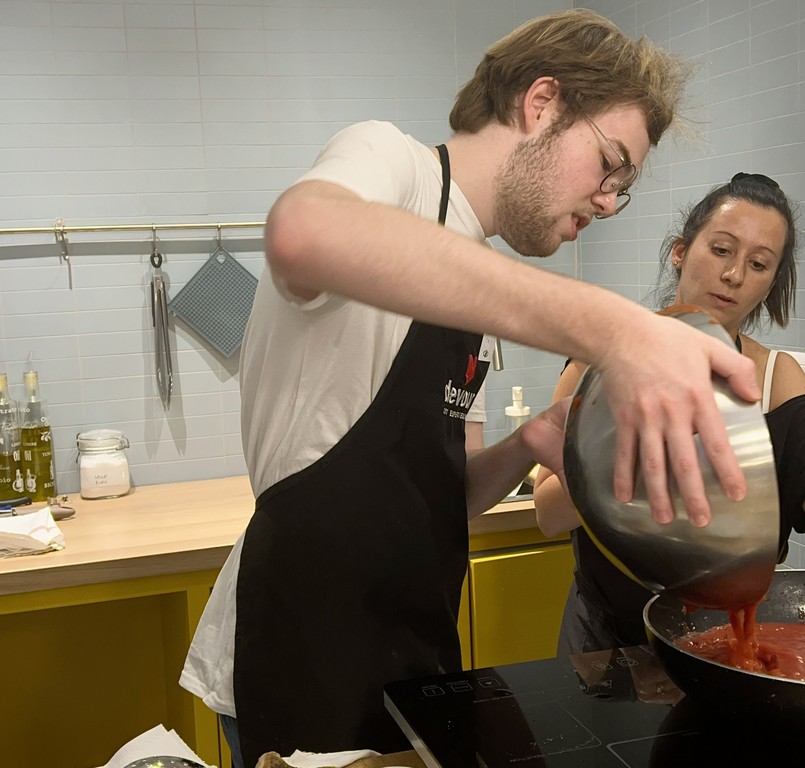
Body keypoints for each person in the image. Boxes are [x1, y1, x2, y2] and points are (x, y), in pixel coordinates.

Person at [179, 11, 766, 767]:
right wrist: (617, 330)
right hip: (303, 641)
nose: (607, 202)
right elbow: (303, 232)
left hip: (414, 651)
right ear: (541, 104)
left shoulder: (471, 275)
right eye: (609, 165)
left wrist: (529, 443)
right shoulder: (391, 163)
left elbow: (438, 496)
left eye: (623, 188)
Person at [533, 172, 805, 655]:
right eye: (721, 250)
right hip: (609, 647)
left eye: (759, 264)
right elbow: (548, 515)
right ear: (680, 251)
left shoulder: (775, 379)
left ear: (771, 283)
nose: (734, 275)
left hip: (723, 643)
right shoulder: (599, 361)